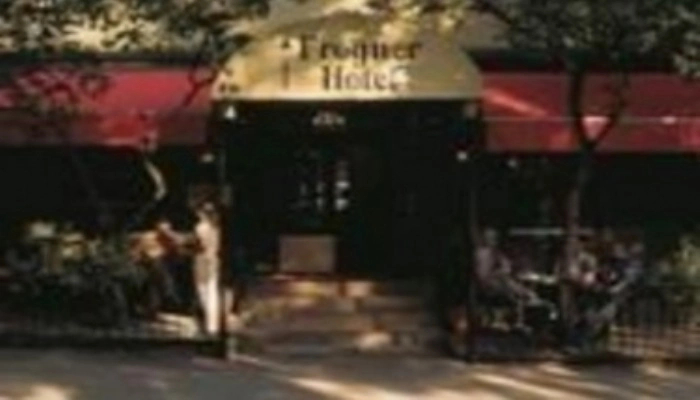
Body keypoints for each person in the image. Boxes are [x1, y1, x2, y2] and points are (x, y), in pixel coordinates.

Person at [192, 202, 222, 336]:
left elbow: (199, 246)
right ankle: (213, 325)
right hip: (214, 259)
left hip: (203, 260)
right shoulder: (217, 227)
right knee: (213, 292)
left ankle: (209, 325)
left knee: (203, 291)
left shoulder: (201, 227)